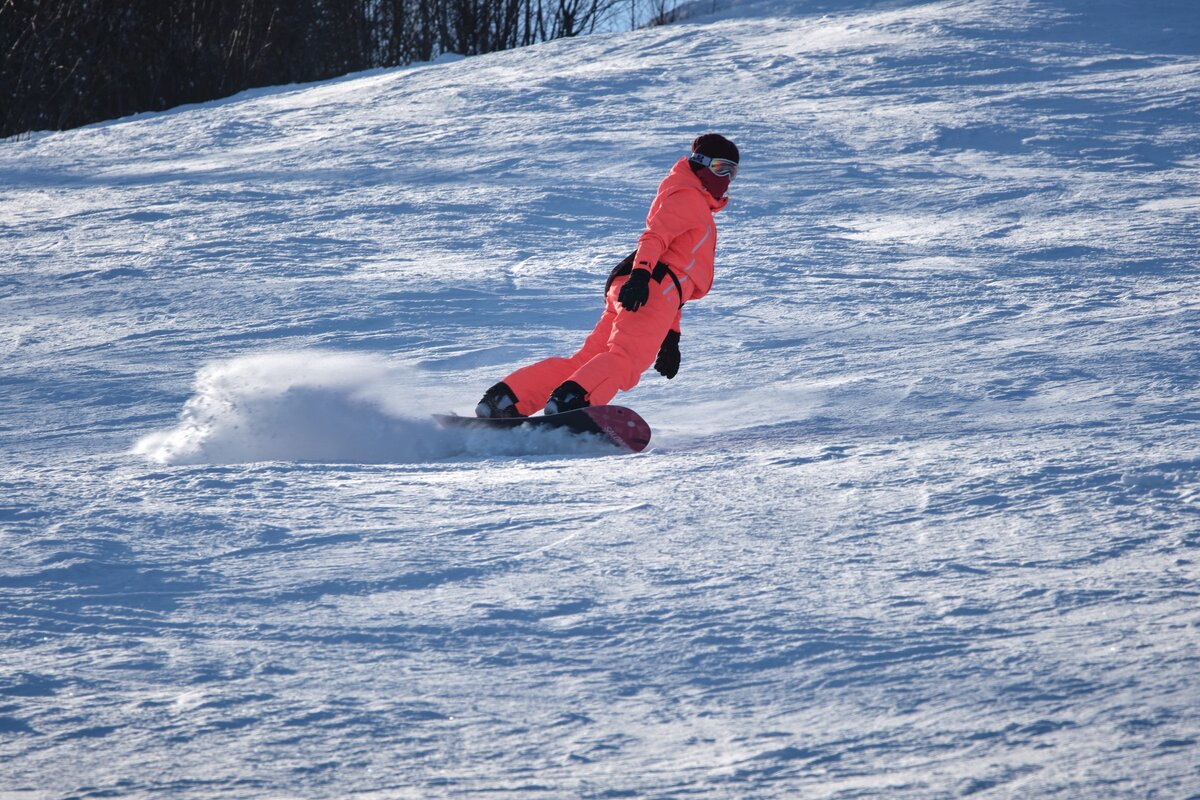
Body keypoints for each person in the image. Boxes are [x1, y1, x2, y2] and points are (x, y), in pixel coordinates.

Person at [475, 133, 740, 419]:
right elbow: (655, 239)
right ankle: (572, 403)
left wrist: (671, 336)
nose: (725, 179)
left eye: (732, 172)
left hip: (639, 287)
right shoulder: (689, 199)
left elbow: (676, 277)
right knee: (626, 359)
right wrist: (641, 275)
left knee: (587, 361)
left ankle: (503, 400)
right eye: (719, 168)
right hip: (649, 287)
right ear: (700, 165)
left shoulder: (682, 195)